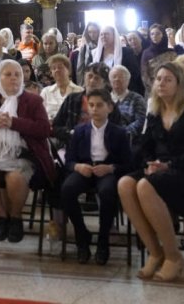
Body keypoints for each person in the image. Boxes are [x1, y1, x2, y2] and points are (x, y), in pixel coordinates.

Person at [117, 63, 184, 283]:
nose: (160, 83)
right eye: (158, 79)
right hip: (160, 169)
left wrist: (168, 166)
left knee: (145, 185)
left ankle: (173, 256)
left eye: (167, 79)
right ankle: (155, 251)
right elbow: (145, 145)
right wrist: (147, 163)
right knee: (124, 184)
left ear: (179, 84)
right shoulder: (155, 109)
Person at [0, 59, 57, 244]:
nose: (13, 78)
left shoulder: (33, 100)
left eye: (17, 74)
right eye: (8, 74)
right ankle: (1, 217)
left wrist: (14, 123)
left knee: (15, 178)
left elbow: (44, 130)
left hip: (23, 155)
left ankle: (16, 218)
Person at [61, 88, 133, 265]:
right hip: (85, 169)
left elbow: (128, 163)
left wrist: (110, 168)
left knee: (108, 192)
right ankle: (82, 235)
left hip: (106, 170)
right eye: (91, 105)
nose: (94, 109)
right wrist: (78, 166)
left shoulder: (119, 132)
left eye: (99, 105)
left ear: (109, 107)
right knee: (67, 189)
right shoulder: (79, 130)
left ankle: (103, 240)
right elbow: (69, 160)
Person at [40, 54, 82, 124]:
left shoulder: (79, 91)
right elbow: (41, 115)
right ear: (51, 73)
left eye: (60, 67)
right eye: (54, 68)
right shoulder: (45, 92)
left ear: (69, 70)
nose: (57, 70)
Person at [108, 65, 147, 139]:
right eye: (114, 77)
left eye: (121, 77)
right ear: (110, 81)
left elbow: (141, 121)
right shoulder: (105, 98)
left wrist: (122, 133)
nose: (117, 79)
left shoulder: (137, 99)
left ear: (128, 81)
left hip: (129, 140)